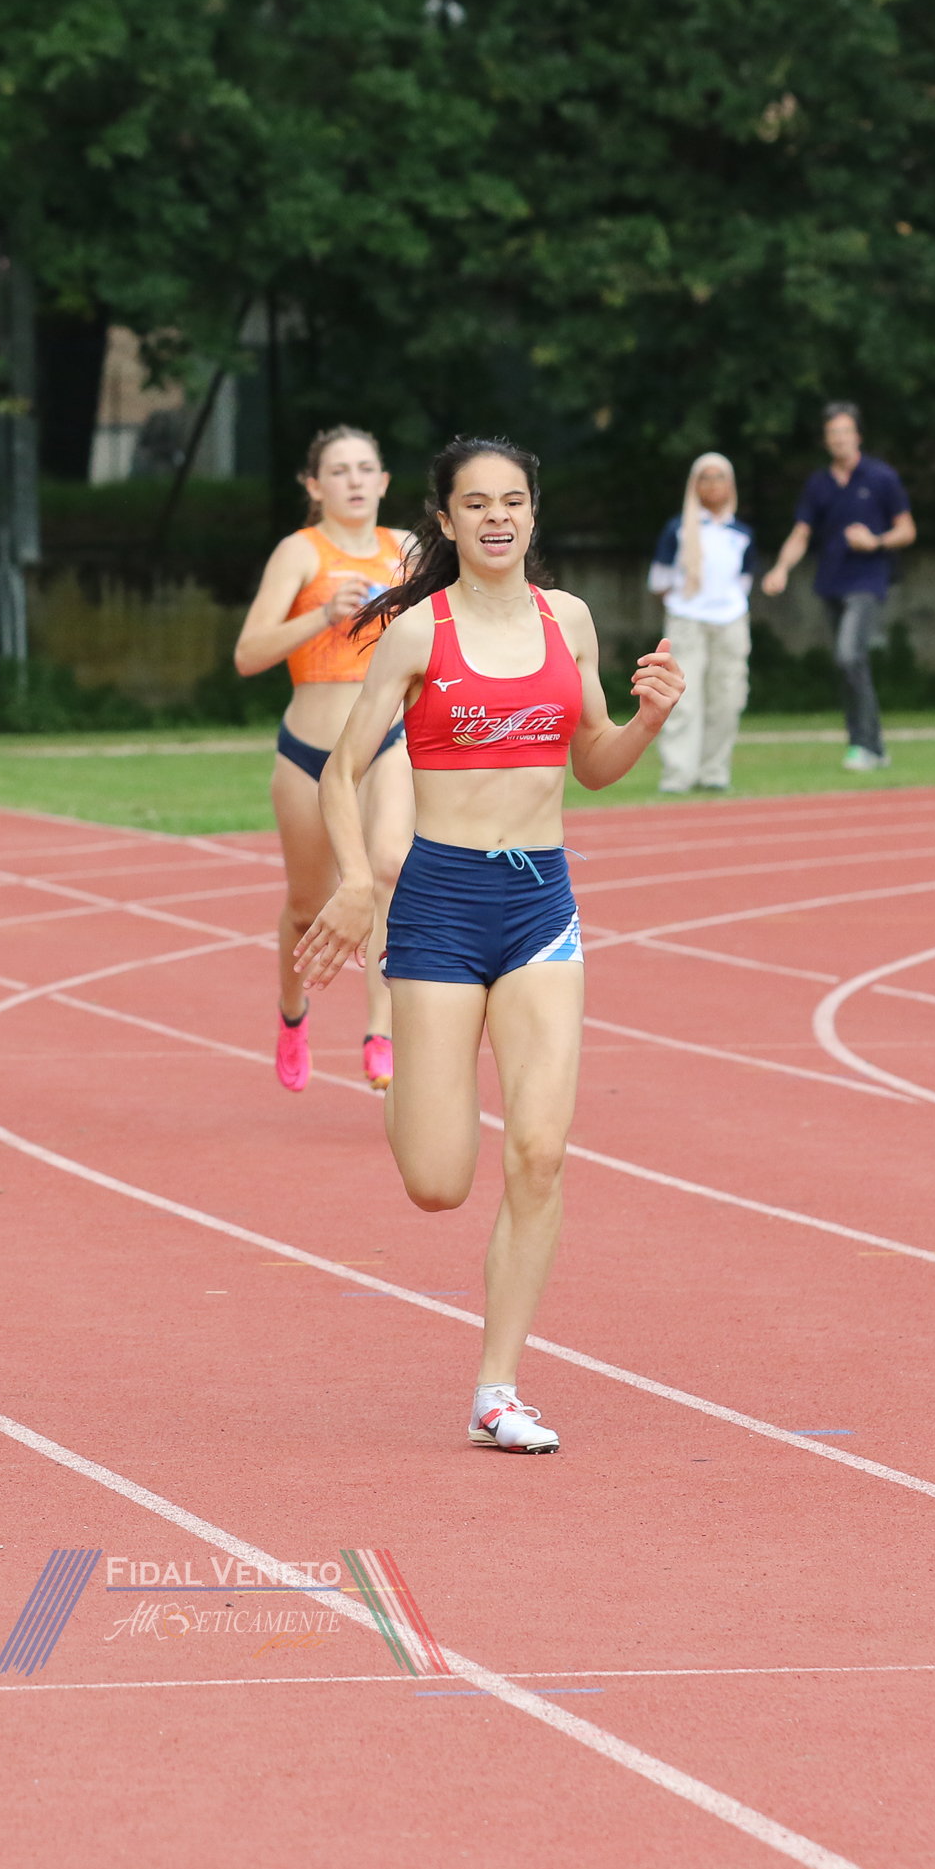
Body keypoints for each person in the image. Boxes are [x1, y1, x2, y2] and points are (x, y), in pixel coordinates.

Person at [294, 438, 682, 1454]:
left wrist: (647, 721)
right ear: (448, 520)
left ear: (533, 514)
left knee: (541, 1154)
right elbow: (341, 773)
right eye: (476, 503)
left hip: (541, 904)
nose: (497, 517)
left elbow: (593, 761)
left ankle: (497, 1389)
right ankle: (406, 1068)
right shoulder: (418, 632)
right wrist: (357, 882)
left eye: (513, 500)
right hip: (440, 905)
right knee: (438, 1181)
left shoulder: (569, 621)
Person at [233, 425, 418, 1091]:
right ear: (314, 486)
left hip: (385, 742)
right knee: (310, 908)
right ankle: (292, 1014)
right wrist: (322, 616)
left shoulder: (408, 549)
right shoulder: (300, 551)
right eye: (339, 471)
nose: (355, 481)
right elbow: (248, 654)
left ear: (385, 481)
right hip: (308, 750)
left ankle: (381, 1031)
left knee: (389, 868)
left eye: (366, 468)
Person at [758, 401, 913, 770]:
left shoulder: (881, 477)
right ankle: (869, 746)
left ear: (858, 436)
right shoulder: (818, 484)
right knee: (849, 664)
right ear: (826, 441)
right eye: (832, 433)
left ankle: (868, 746)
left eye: (845, 431)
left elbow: (908, 530)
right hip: (831, 583)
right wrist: (781, 568)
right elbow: (801, 533)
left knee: (848, 655)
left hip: (868, 582)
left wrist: (875, 541)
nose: (839, 438)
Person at [647, 453, 754, 793]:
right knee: (682, 697)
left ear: (730, 484)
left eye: (719, 477)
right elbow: (659, 580)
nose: (712, 485)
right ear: (694, 485)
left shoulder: (741, 533)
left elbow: (744, 580)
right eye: (704, 478)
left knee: (728, 697)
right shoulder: (678, 528)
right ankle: (678, 775)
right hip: (687, 621)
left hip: (730, 622)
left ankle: (714, 772)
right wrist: (685, 603)